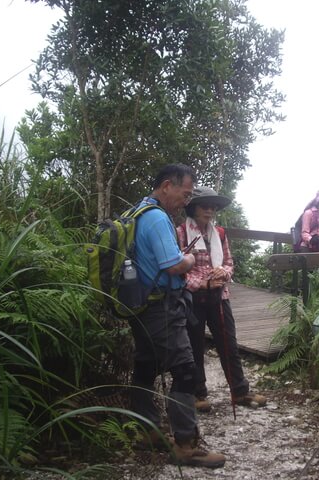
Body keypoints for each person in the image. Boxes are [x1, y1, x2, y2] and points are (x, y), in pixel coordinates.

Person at [130, 164, 225, 469]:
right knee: (185, 371)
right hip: (161, 307)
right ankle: (185, 444)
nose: (187, 200)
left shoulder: (137, 213)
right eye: (185, 193)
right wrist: (188, 257)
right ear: (167, 185)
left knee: (146, 365)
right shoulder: (157, 218)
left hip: (140, 305)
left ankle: (148, 431)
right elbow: (172, 265)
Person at [176, 186, 266, 413]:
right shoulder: (181, 233)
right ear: (194, 208)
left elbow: (228, 262)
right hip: (193, 297)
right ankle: (198, 394)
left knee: (229, 344)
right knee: (194, 346)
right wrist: (203, 283)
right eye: (205, 205)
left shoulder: (220, 233)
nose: (210, 210)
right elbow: (177, 268)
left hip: (220, 295)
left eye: (213, 206)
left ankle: (240, 391)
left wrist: (223, 273)